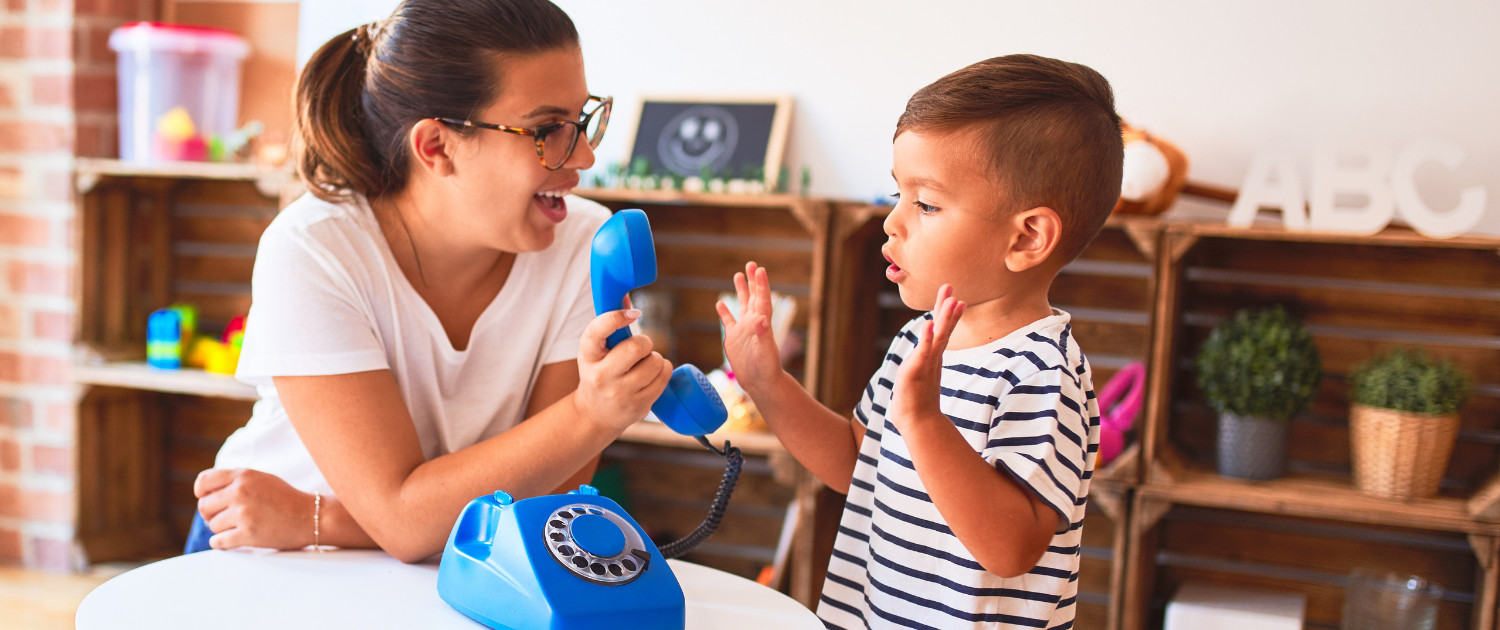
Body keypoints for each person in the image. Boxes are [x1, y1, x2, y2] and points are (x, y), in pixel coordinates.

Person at [185, 0, 674, 562]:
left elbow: (547, 507)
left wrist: (325, 519)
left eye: (582, 119)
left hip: (424, 557)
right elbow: (404, 523)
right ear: (436, 147)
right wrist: (589, 415)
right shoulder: (313, 249)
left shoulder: (583, 243)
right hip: (268, 554)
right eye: (548, 129)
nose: (584, 155)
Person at [716, 55, 1122, 628]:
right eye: (897, 196)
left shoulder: (1043, 372)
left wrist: (925, 423)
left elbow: (1011, 548)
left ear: (1028, 237)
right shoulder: (919, 339)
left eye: (926, 204)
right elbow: (857, 462)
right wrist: (767, 382)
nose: (893, 223)